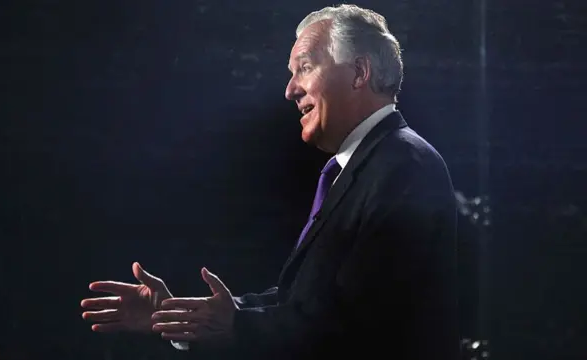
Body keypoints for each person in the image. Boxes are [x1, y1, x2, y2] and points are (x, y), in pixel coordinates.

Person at [81, 4, 459, 359]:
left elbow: (358, 322)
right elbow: (308, 303)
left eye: (304, 68)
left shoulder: (404, 166)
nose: (290, 89)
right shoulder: (370, 163)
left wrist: (236, 326)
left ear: (359, 73)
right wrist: (182, 317)